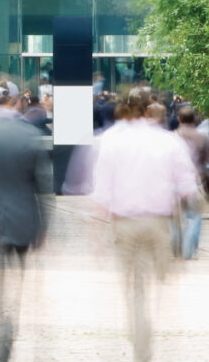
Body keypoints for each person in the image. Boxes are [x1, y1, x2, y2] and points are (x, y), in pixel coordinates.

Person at [91, 89, 200, 362]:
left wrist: (95, 233)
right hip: (158, 224)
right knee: (160, 284)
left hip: (125, 225)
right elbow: (187, 187)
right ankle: (153, 324)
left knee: (134, 287)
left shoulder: (112, 142)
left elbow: (103, 191)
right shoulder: (168, 142)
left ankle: (140, 333)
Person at [0, 99, 52, 362]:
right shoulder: (30, 137)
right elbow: (43, 186)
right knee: (18, 274)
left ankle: (1, 327)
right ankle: (11, 318)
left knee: (0, 276)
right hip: (26, 220)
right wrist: (44, 227)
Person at [174, 106, 209, 260]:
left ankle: (177, 247)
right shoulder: (202, 137)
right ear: (194, 119)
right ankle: (191, 250)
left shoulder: (172, 137)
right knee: (194, 217)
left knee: (175, 216)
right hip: (196, 181)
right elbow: (206, 160)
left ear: (179, 119)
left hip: (174, 183)